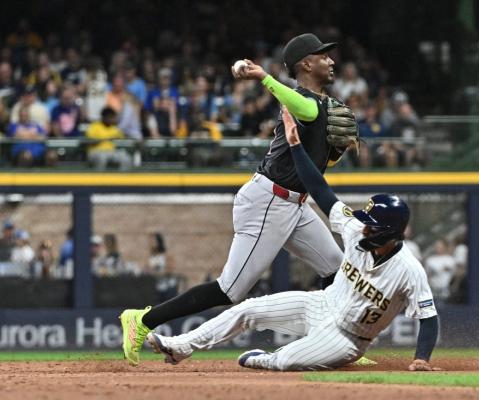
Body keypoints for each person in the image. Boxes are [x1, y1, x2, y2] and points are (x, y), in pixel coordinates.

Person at [120, 33, 359, 366]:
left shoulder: (320, 106)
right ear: (307, 63)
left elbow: (319, 162)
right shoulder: (303, 101)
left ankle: (332, 344)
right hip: (269, 202)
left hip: (296, 203)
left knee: (339, 270)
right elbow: (302, 108)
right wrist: (263, 76)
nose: (331, 61)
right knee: (230, 290)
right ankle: (142, 321)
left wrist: (333, 151)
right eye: (323, 56)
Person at [146, 106, 439, 372]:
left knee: (287, 360)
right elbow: (320, 189)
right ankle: (181, 346)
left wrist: (421, 359)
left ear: (389, 232)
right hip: (320, 304)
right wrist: (296, 146)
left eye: (371, 226)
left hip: (348, 338)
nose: (364, 228)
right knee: (247, 308)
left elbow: (428, 318)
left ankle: (267, 359)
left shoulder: (408, 270)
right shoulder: (353, 230)